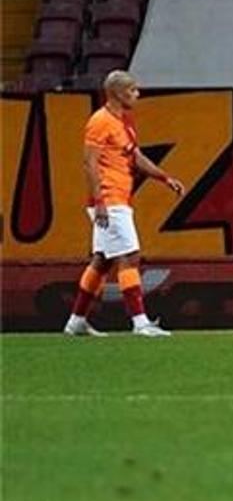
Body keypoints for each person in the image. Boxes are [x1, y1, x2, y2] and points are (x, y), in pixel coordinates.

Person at [62, 70, 185, 337]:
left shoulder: (123, 122)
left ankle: (76, 321)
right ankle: (140, 322)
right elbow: (89, 162)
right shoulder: (99, 121)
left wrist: (164, 177)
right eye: (132, 90)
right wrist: (100, 200)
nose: (137, 94)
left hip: (119, 198)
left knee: (103, 261)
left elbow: (136, 157)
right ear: (118, 93)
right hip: (109, 199)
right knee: (130, 256)